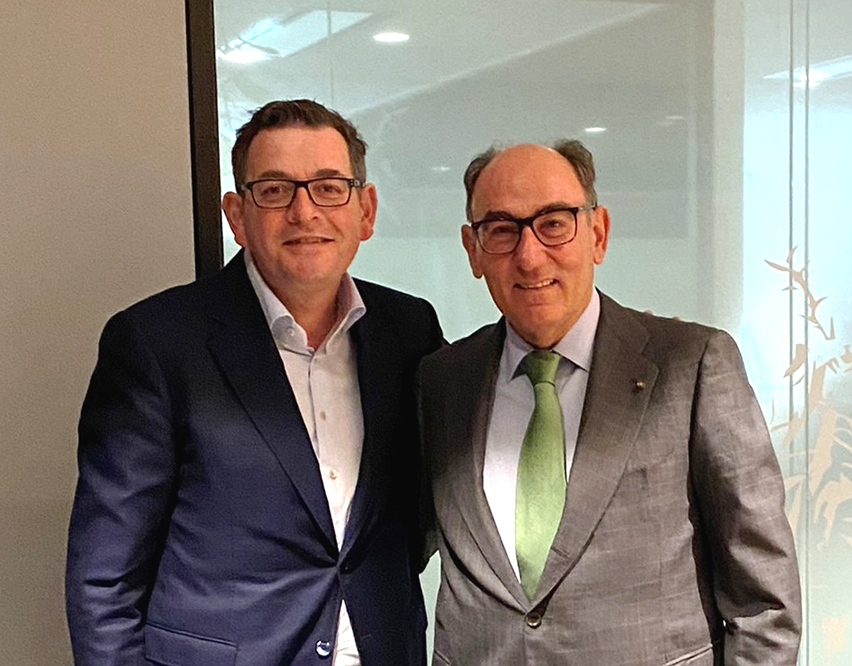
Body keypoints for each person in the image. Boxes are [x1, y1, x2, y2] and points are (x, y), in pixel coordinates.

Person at [66, 99, 442, 666]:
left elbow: (416, 521)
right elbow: (104, 581)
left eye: (329, 187)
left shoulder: (409, 331)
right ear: (237, 216)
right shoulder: (156, 343)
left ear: (365, 210)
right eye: (273, 189)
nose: (304, 211)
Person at [417, 140, 801, 665]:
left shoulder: (693, 365)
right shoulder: (442, 382)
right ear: (473, 250)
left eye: (554, 223)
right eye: (502, 230)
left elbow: (766, 603)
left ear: (597, 233)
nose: (529, 256)